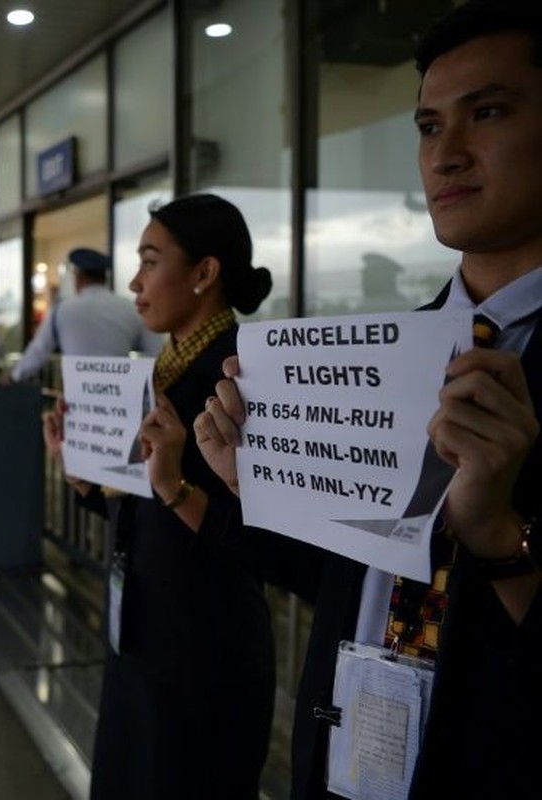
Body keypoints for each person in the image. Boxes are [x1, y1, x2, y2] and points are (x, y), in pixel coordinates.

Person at [195, 4, 542, 797]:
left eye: (485, 113)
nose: (445, 154)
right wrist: (257, 485)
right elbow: (349, 584)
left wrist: (497, 535)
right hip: (347, 756)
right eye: (426, 126)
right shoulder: (395, 357)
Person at [43, 195, 275, 799]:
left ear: (204, 274)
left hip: (205, 650)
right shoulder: (157, 376)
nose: (134, 281)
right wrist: (84, 478)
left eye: (151, 260)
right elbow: (145, 512)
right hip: (141, 631)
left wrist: (174, 484)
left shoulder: (245, 381)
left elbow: (265, 541)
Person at [10, 248, 162, 382]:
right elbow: (156, 352)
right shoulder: (130, 308)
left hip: (78, 401)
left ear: (77, 276)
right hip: (121, 401)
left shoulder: (61, 310)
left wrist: (15, 376)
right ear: (104, 277)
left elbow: (38, 352)